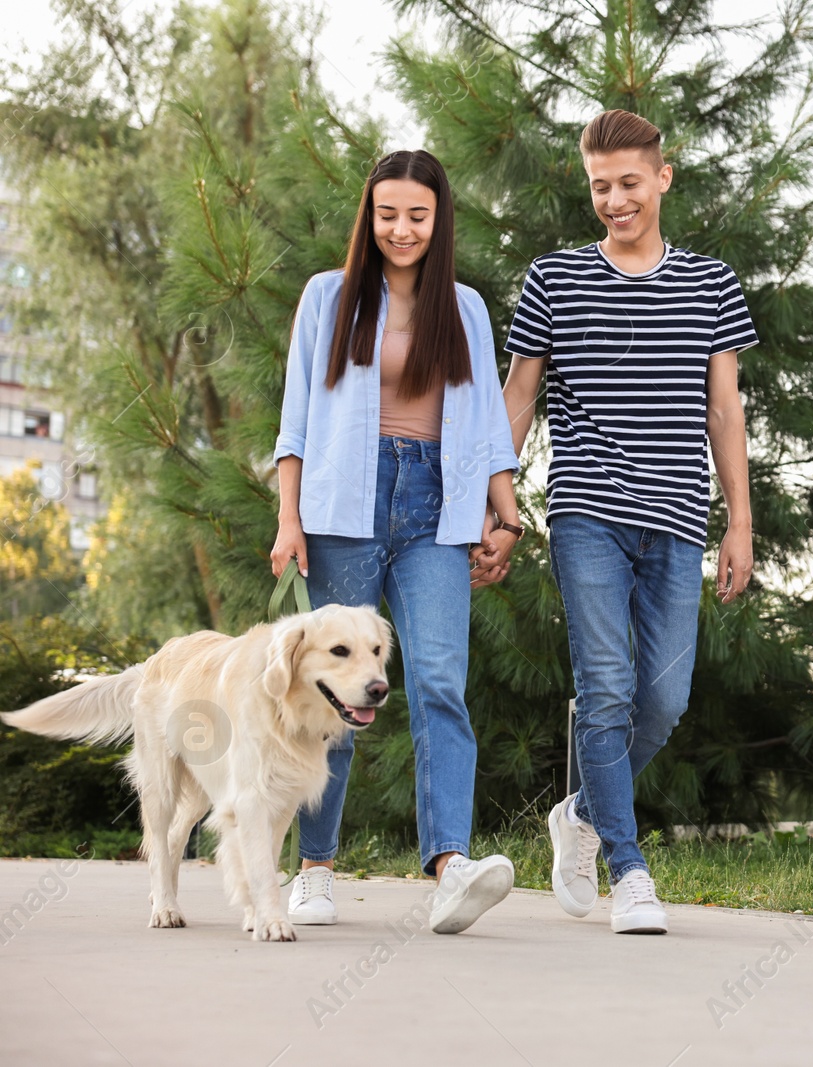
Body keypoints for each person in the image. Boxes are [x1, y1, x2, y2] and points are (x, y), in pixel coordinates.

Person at [487, 109, 757, 934]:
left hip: (677, 518)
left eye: (629, 184)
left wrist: (739, 521)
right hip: (587, 513)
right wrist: (494, 503)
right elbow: (519, 397)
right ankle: (630, 869)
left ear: (663, 179)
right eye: (600, 186)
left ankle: (579, 812)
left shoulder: (710, 283)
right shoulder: (554, 281)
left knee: (665, 699)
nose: (615, 200)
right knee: (604, 688)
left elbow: (724, 409)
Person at [271, 149, 525, 935]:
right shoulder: (328, 296)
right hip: (343, 506)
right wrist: (289, 519)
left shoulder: (467, 309)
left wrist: (505, 515)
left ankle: (450, 866)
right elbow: (296, 421)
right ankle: (314, 869)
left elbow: (486, 426)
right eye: (387, 214)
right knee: (337, 695)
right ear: (369, 216)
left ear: (438, 218)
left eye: (418, 214)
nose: (402, 228)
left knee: (443, 682)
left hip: (436, 512)